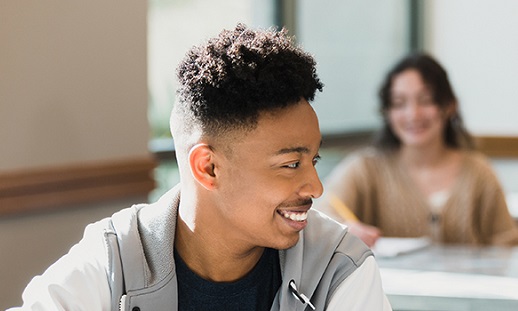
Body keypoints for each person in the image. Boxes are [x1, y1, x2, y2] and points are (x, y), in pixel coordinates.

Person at [9, 24, 392, 310]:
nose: (315, 186)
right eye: (291, 164)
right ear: (208, 167)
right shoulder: (115, 260)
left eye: (314, 160)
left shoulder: (338, 268)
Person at [315, 52, 518, 248]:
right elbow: (322, 209)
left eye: (426, 100)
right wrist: (345, 227)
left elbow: (507, 246)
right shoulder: (366, 169)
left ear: (449, 106)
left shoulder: (479, 173)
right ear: (387, 112)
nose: (413, 114)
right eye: (399, 103)